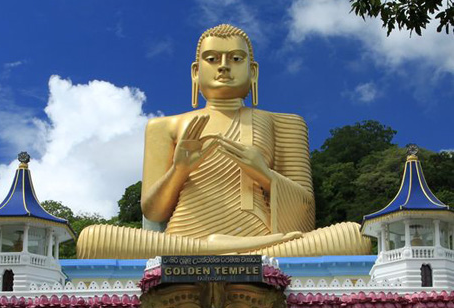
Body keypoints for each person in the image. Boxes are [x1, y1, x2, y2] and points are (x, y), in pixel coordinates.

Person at [77, 24, 370, 260]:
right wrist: (178, 170)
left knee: (355, 236)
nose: (224, 67)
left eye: (236, 59)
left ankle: (214, 253)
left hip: (263, 243)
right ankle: (210, 252)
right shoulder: (164, 126)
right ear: (196, 71)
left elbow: (304, 215)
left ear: (252, 71)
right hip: (182, 242)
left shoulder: (285, 123)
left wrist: (265, 176)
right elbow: (153, 213)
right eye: (213, 59)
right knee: (92, 239)